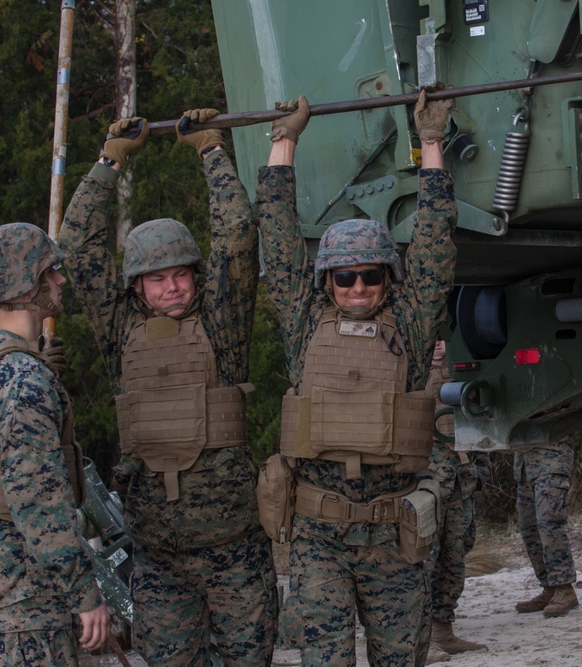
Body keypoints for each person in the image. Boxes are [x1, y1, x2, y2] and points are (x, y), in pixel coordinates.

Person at [58, 111, 277, 666]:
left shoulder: (223, 322)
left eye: (182, 273)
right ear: (136, 286)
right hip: (158, 556)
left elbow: (236, 237)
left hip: (235, 549)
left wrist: (211, 152)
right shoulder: (119, 329)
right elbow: (79, 246)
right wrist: (111, 160)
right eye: (158, 278)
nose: (173, 286)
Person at [256, 86, 458, 666]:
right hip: (319, 538)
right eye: (344, 278)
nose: (359, 288)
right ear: (326, 282)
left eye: (370, 275)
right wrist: (284, 142)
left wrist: (430, 143)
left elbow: (435, 240)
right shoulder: (302, 322)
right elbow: (277, 233)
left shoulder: (412, 325)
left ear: (389, 277)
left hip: (394, 536)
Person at [0, 222, 109, 663]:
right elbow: (39, 500)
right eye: (50, 272)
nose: (60, 280)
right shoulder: (24, 377)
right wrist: (84, 593)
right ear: (25, 284)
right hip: (22, 590)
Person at [424, 338, 488, 660]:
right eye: (431, 337)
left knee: (455, 554)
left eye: (443, 337)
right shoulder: (410, 371)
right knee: (422, 557)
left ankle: (442, 630)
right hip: (425, 479)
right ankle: (417, 639)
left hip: (461, 473)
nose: (437, 345)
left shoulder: (464, 367)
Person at [513, 439, 579, 617]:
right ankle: (549, 588)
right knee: (529, 528)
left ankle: (565, 589)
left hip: (551, 459)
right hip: (525, 464)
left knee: (549, 524)